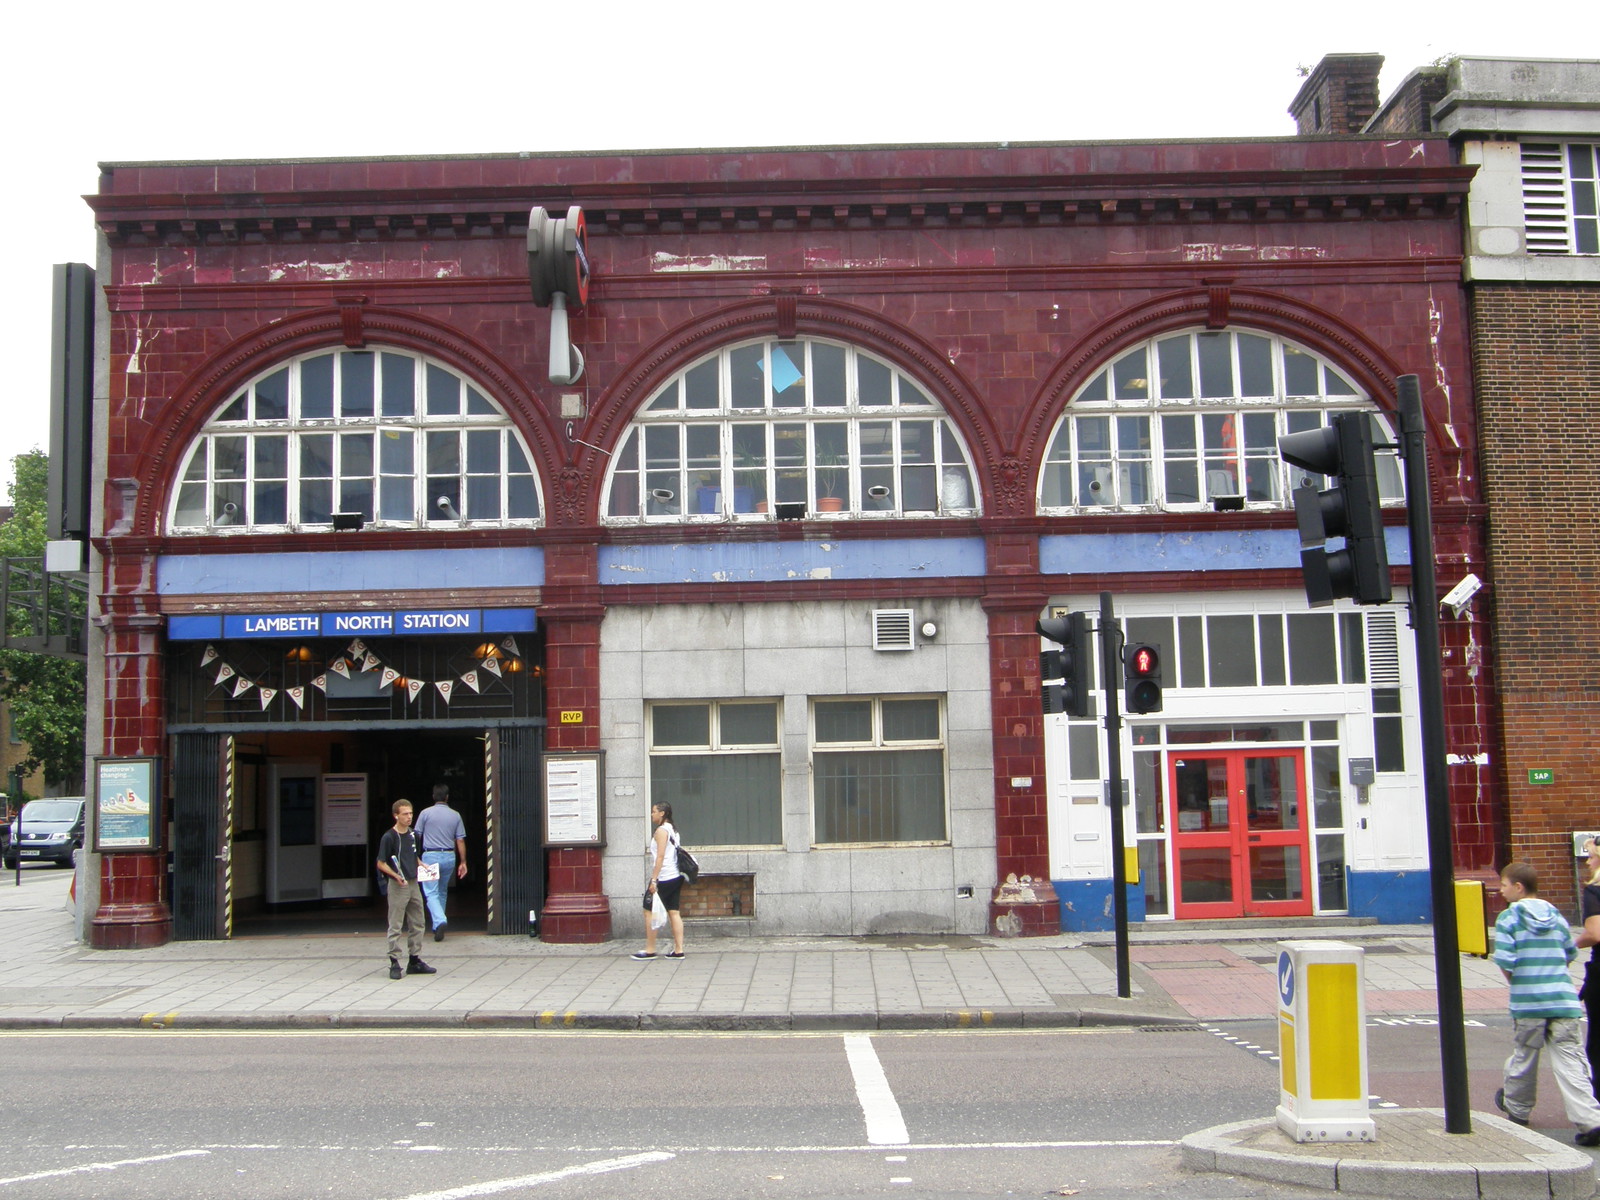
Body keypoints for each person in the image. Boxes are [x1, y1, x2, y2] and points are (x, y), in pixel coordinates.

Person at [1492, 861, 1600, 1143]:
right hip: (1563, 1001)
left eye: (1503, 885)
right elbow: (1569, 952)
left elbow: (1505, 960)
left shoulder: (1508, 918)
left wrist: (1517, 982)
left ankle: (1517, 1111)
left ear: (1518, 887)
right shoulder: (1555, 914)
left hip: (1528, 1002)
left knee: (1525, 1057)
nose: (1500, 890)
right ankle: (1590, 1122)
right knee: (1571, 1061)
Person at [376, 799, 437, 981]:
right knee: (395, 923)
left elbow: (413, 856)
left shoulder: (413, 835)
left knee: (418, 921)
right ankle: (394, 961)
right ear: (396, 815)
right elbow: (381, 863)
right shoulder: (389, 837)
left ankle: (414, 959)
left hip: (413, 882)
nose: (409, 817)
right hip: (398, 884)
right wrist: (395, 876)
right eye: (405, 814)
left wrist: (422, 865)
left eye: (411, 813)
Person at [413, 783, 467, 941]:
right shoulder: (455, 815)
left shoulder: (425, 813)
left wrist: (415, 857)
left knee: (430, 892)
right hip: (449, 856)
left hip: (430, 856)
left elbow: (417, 836)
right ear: (447, 797)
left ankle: (440, 920)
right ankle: (437, 927)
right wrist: (463, 862)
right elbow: (460, 840)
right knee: (442, 891)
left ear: (433, 796)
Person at [632, 802, 684, 961]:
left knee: (648, 910)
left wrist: (654, 880)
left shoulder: (661, 831)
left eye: (654, 811)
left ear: (662, 813)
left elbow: (660, 857)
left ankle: (650, 949)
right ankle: (678, 950)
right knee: (674, 911)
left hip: (664, 877)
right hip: (676, 875)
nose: (652, 814)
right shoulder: (673, 830)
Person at [1575, 839, 1600, 1100]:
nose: (1588, 862)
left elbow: (1595, 933)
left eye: (1591, 857)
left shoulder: (1595, 891)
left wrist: (1571, 944)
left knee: (1597, 1044)